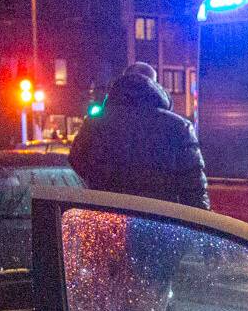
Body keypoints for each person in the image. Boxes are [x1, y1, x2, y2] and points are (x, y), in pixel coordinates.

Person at [67, 62, 209, 209]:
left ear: (123, 81)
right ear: (155, 84)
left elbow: (76, 164)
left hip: (108, 216)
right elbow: (194, 188)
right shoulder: (179, 127)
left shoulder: (95, 124)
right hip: (161, 220)